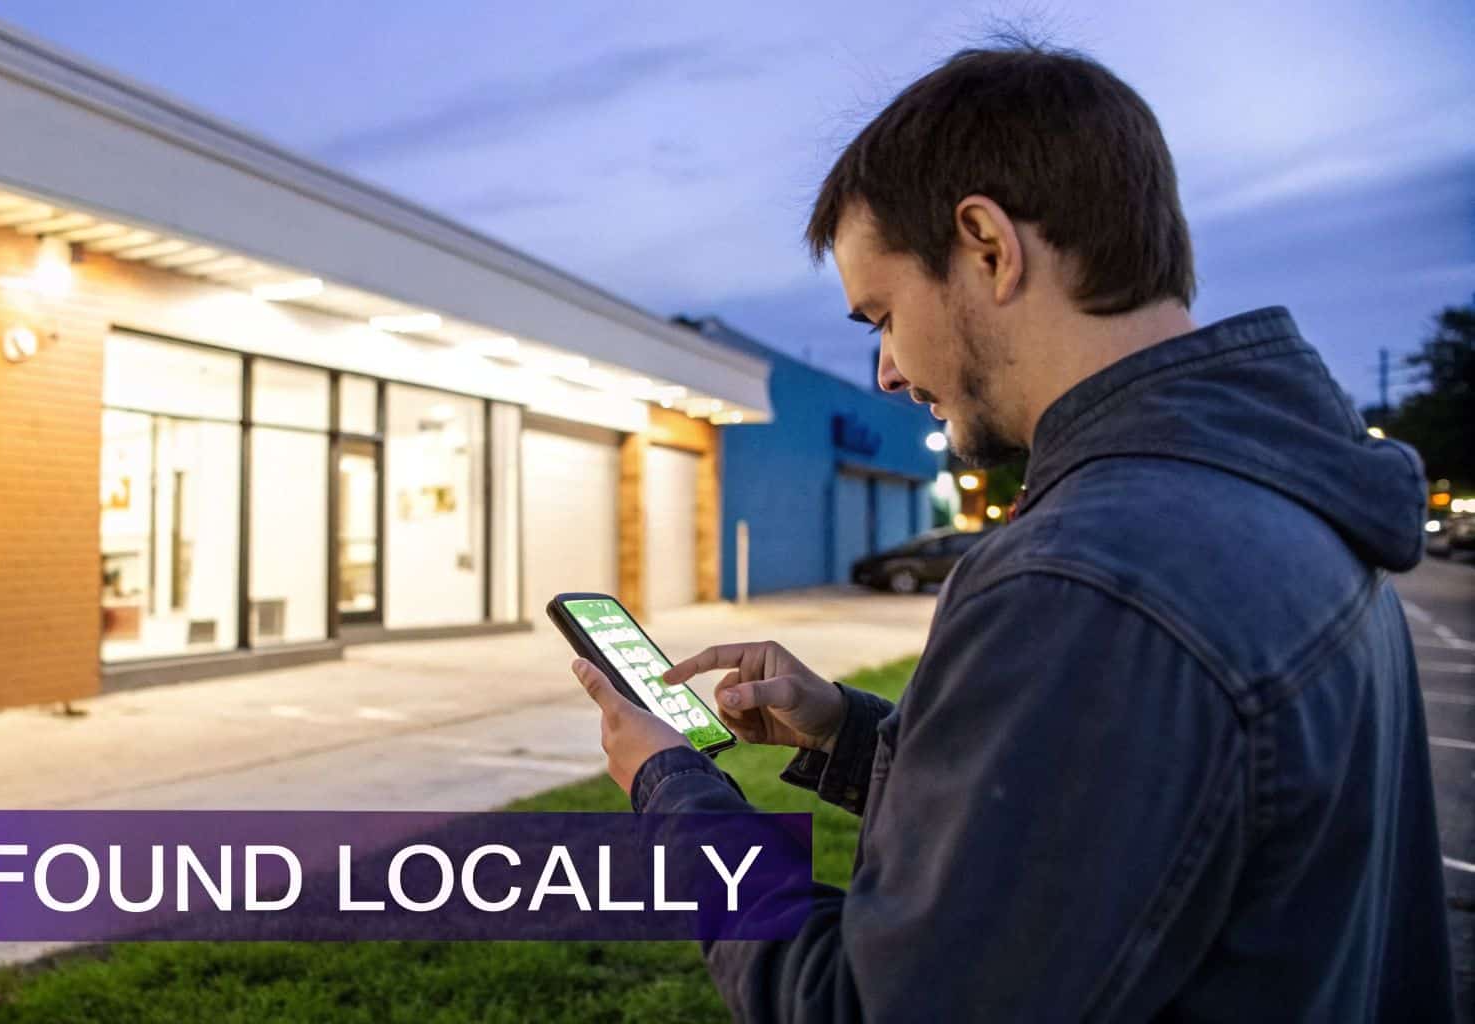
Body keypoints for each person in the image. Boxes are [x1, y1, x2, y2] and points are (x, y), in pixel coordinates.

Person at [569, 42, 1456, 1022]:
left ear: (987, 246)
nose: (885, 373)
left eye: (881, 314)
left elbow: (858, 1006)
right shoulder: (1277, 495)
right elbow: (1101, 844)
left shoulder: (1087, 580)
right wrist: (843, 729)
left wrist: (669, 784)